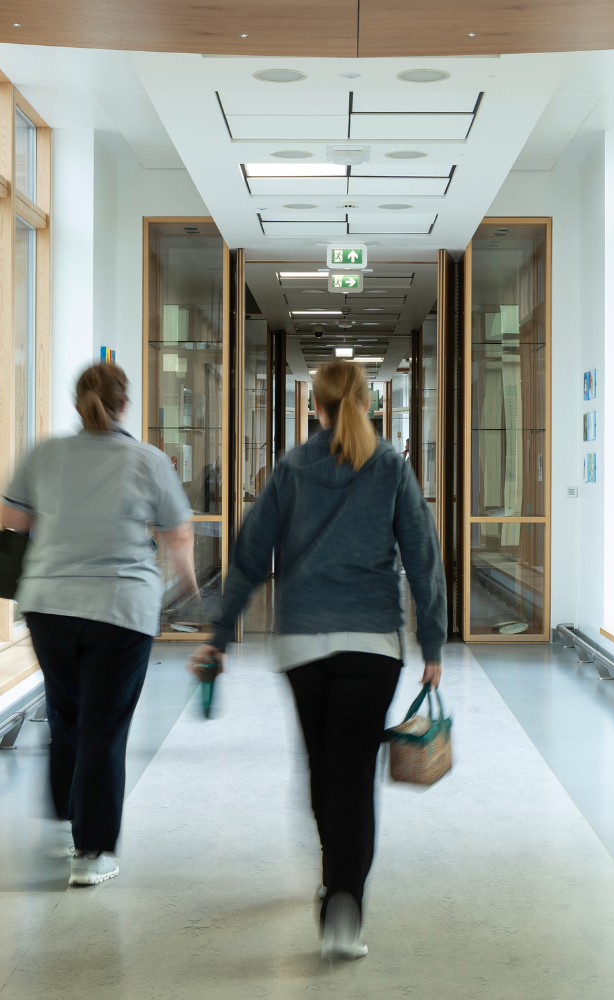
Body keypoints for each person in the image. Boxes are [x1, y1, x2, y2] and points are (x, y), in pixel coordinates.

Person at [190, 361, 447, 961]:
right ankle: (344, 905)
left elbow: (250, 556)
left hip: (303, 646)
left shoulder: (291, 469)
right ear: (367, 403)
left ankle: (336, 882)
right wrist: (432, 644)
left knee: (321, 767)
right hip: (373, 645)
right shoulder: (390, 467)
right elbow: (423, 559)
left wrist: (220, 634)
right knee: (353, 774)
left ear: (317, 407)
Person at [0, 361, 197, 888]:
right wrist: (190, 589)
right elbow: (178, 534)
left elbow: (11, 520)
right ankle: (91, 853)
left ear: (77, 401)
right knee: (104, 727)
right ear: (124, 404)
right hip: (119, 608)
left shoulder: (45, 455)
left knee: (67, 712)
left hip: (50, 605)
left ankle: (66, 820)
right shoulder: (147, 460)